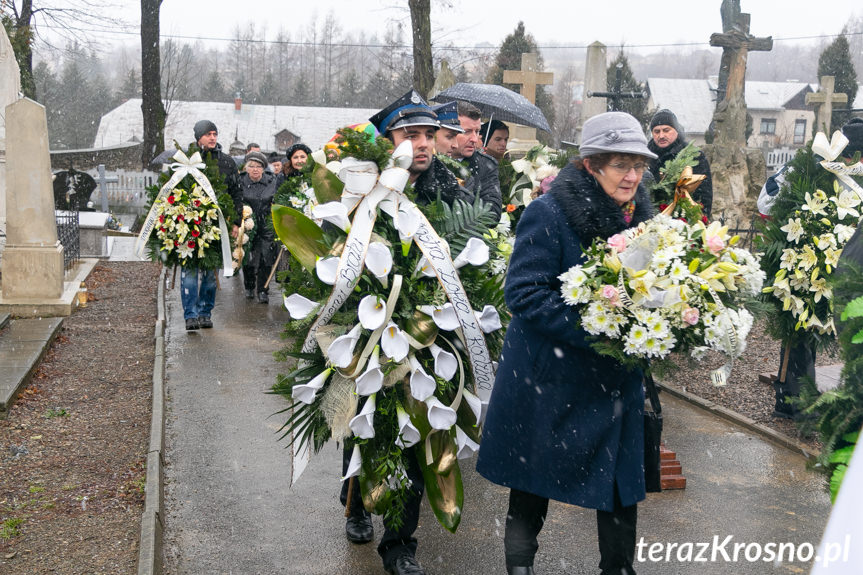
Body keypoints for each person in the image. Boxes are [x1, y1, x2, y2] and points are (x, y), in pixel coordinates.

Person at [476, 112, 656, 575]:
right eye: (620, 165)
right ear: (591, 164)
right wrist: (598, 334)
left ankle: (618, 568)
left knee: (619, 480)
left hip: (615, 379)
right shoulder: (549, 213)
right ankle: (520, 566)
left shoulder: (647, 224)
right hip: (551, 376)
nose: (633, 175)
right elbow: (525, 292)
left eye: (638, 164)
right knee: (530, 476)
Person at [336, 90, 473, 575]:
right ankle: (356, 503)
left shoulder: (448, 190)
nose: (422, 144)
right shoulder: (364, 189)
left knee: (417, 435)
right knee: (366, 420)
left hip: (430, 334)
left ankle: (400, 544)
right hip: (371, 328)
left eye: (428, 135)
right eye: (409, 134)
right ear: (387, 139)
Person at [182, 119, 243, 331]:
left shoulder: (226, 163)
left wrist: (235, 221)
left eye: (215, 134)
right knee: (189, 272)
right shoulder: (186, 161)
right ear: (198, 136)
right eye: (208, 134)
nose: (212, 138)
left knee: (209, 275)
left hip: (217, 226)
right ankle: (190, 315)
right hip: (190, 226)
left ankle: (205, 312)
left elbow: (236, 194)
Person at [647, 108, 713, 217]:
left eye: (666, 130)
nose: (661, 136)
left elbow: (704, 195)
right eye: (656, 131)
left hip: (683, 220)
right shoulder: (646, 157)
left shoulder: (694, 156)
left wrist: (699, 217)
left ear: (676, 131)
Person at [238, 151, 279, 303]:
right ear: (246, 168)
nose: (255, 169)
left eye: (259, 166)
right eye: (251, 166)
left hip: (266, 225)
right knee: (248, 257)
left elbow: (277, 199)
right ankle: (249, 286)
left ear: (263, 168)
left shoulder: (271, 181)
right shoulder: (240, 181)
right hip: (248, 224)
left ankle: (263, 290)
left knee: (265, 258)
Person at [452, 101, 503, 219]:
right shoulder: (432, 160)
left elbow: (492, 213)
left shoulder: (486, 165)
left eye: (477, 131)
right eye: (467, 132)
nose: (474, 139)